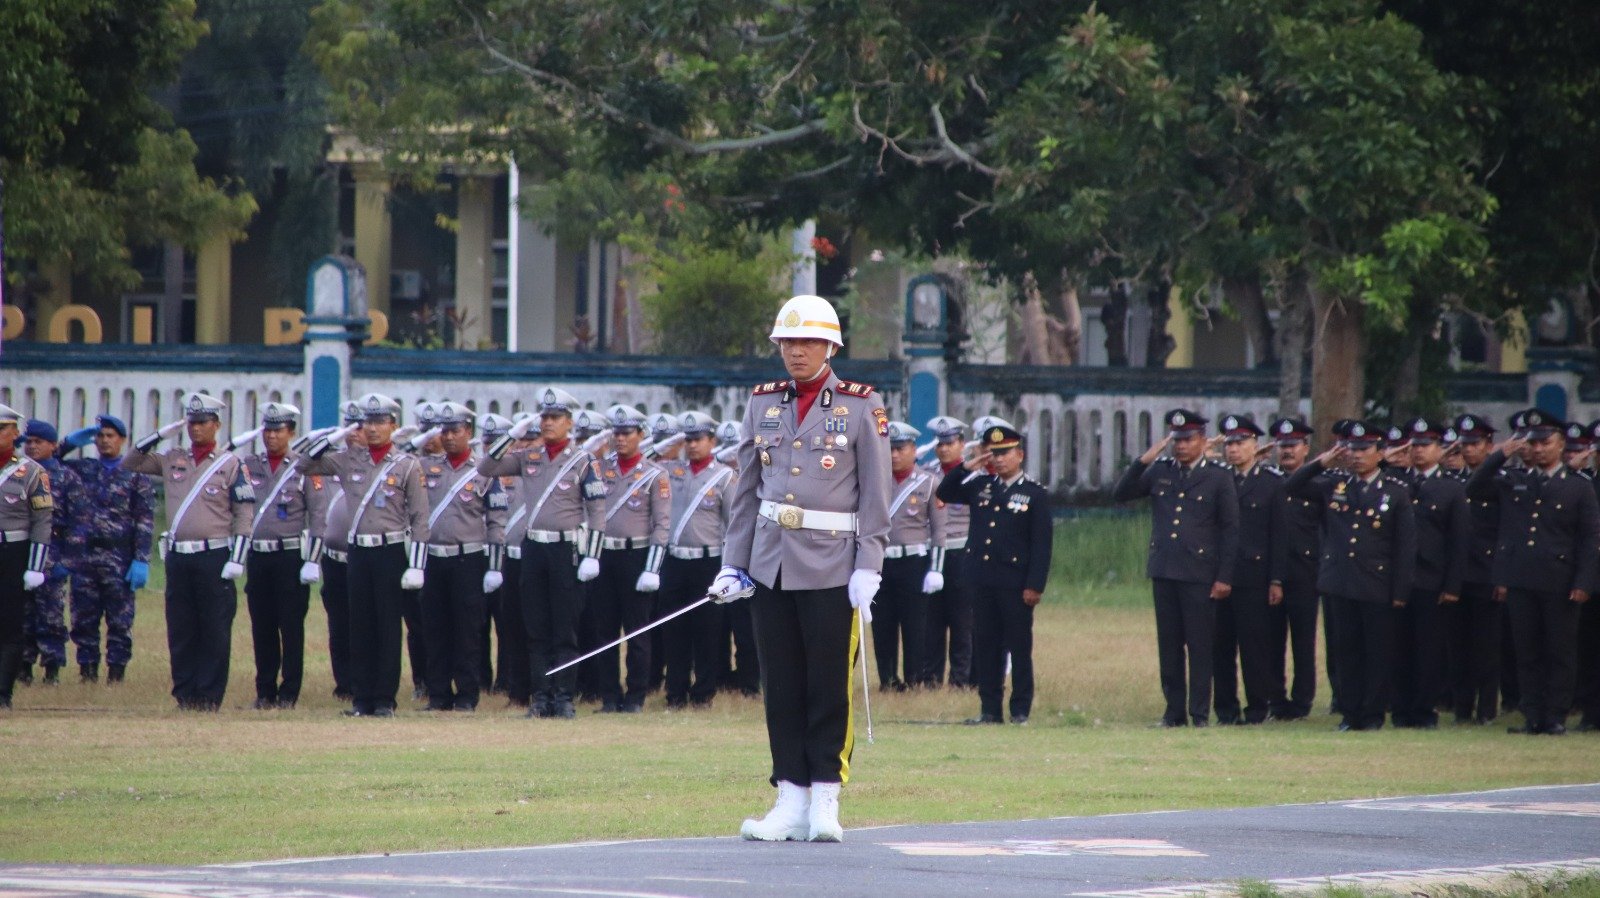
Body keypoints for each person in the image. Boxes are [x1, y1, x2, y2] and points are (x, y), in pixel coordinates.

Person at [712, 293, 891, 843]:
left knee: (827, 685)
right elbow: (745, 492)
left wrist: (871, 562)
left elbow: (877, 493)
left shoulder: (862, 405)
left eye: (808, 341)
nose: (796, 351)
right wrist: (732, 564)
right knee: (782, 684)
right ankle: (788, 798)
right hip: (770, 563)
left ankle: (825, 799)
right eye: (787, 341)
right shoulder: (761, 403)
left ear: (831, 346)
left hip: (834, 564)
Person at [1466, 409, 1599, 736]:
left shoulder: (1578, 487)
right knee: (1527, 651)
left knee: (1559, 651)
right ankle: (1532, 714)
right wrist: (1500, 455)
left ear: (1560, 444)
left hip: (1560, 580)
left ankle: (1554, 715)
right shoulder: (1515, 479)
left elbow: (1589, 538)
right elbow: (1474, 487)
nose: (1538, 449)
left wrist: (1584, 581)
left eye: (1545, 442)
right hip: (1521, 578)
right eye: (1533, 443)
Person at [478, 388, 607, 720]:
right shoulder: (528, 456)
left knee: (564, 629)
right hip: (533, 548)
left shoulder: (583, 460)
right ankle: (540, 698)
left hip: (566, 549)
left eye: (555, 418)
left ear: (569, 422)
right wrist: (511, 435)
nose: (548, 423)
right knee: (535, 628)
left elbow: (597, 511)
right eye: (544, 417)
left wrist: (592, 555)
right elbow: (486, 466)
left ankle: (563, 698)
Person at [300, 392, 431, 717]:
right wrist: (337, 436)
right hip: (358, 552)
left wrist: (417, 565)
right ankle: (362, 698)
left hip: (389, 552)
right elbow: (303, 463)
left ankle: (384, 699)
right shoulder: (347, 459)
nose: (372, 429)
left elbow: (420, 518)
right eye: (366, 423)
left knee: (386, 626)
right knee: (359, 625)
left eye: (379, 422)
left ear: (392, 425)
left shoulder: (406, 465)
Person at [1284, 420, 1416, 732]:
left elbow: (1404, 546)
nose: (1356, 455)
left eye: (1364, 449)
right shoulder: (1335, 485)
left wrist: (1400, 591)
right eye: (1352, 449)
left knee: (1376, 652)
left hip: (1376, 584)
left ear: (1380, 453)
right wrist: (1322, 461)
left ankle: (1372, 714)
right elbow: (1292, 486)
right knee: (1345, 653)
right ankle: (1349, 712)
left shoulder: (1395, 493)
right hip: (1338, 582)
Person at [126, 393, 255, 711]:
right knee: (181, 626)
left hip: (214, 556)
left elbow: (243, 513)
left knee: (214, 627)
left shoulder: (231, 464)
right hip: (179, 556)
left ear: (217, 425)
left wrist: (237, 558)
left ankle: (209, 696)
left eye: (203, 423)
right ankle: (185, 693)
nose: (196, 429)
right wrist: (160, 434)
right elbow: (130, 462)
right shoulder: (172, 459)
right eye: (192, 422)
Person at [1113, 409, 1238, 727]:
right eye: (1177, 440)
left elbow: (1229, 529)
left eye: (1188, 440)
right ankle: (1173, 712)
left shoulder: (1218, 476)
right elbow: (1121, 494)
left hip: (1199, 573)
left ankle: (1199, 713)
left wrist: (1224, 576)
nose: (1181, 446)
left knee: (1199, 645)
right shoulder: (1161, 471)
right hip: (1165, 569)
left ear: (1202, 440)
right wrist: (1144, 460)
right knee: (1169, 646)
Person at [936, 422, 1052, 725]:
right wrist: (967, 465)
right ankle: (989, 709)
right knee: (986, 646)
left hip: (1015, 584)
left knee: (1018, 646)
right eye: (994, 454)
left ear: (1020, 455)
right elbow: (945, 491)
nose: (999, 459)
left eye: (1005, 453)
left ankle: (1020, 709)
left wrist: (1034, 585)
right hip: (982, 579)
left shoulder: (1034, 494)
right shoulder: (981, 485)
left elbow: (1042, 545)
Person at [417, 401, 507, 712]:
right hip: (434, 559)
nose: (449, 437)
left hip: (468, 559)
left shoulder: (485, 471)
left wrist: (494, 567)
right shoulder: (428, 468)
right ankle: (438, 694)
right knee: (435, 628)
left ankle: (468, 694)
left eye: (455, 430)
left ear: (468, 432)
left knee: (467, 630)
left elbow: (496, 520)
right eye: (444, 431)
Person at [583, 404, 669, 713]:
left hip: (637, 556)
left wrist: (652, 568)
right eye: (616, 433)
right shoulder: (598, 469)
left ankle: (635, 697)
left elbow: (662, 524)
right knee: (604, 631)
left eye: (626, 433)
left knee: (637, 632)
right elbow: (588, 512)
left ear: (640, 436)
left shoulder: (654, 475)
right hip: (605, 555)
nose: (620, 439)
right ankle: (609, 697)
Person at [56, 414, 153, 685]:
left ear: (122, 440)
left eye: (111, 436)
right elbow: (51, 462)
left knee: (119, 621)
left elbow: (144, 519)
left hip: (118, 557)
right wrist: (69, 443)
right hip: (85, 558)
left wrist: (141, 559)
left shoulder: (136, 474)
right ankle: (87, 674)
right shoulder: (84, 469)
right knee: (83, 620)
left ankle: (116, 675)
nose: (104, 441)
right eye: (100, 436)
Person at [1390, 417, 1468, 729]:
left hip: (1431, 580)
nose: (1419, 451)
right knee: (1398, 649)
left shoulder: (1450, 488)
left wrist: (1452, 584)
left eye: (1426, 445)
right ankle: (1400, 709)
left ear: (1440, 449)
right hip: (1396, 580)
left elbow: (1458, 542)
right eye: (1414, 445)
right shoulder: (1395, 483)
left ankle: (1424, 711)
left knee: (1428, 650)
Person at [661, 411, 737, 709]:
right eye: (687, 440)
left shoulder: (724, 477)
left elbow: (732, 525)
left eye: (698, 439)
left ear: (712, 441)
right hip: (675, 561)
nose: (692, 446)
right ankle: (675, 693)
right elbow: (647, 458)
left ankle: (704, 693)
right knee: (674, 629)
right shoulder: (670, 471)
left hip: (708, 562)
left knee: (707, 632)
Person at [240, 403, 314, 709]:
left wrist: (313, 558)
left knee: (291, 626)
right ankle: (265, 690)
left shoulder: (303, 467)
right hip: (258, 555)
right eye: (267, 430)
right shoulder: (250, 465)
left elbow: (316, 514)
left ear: (291, 433)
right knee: (262, 625)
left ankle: (289, 691)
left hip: (290, 556)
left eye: (278, 430)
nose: (271, 436)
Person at [1214, 414, 1280, 725]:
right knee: (1220, 647)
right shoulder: (1218, 479)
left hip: (1255, 577)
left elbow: (1280, 537)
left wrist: (1276, 579)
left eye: (1240, 443)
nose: (1234, 449)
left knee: (1254, 647)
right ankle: (1226, 709)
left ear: (1255, 445)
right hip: (1219, 576)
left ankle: (1258, 708)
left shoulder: (1271, 483)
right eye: (1229, 444)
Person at [874, 421, 947, 690]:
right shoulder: (875, 481)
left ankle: (916, 678)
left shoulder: (930, 483)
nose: (894, 454)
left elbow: (940, 532)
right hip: (881, 560)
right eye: (890, 448)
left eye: (900, 448)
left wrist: (936, 569)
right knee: (883, 623)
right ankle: (888, 680)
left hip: (914, 561)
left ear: (913, 449)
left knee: (916, 624)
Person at [302, 399, 365, 701]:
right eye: (350, 427)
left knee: (366, 621)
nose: (355, 433)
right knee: (338, 624)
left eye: (360, 426)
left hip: (365, 556)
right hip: (334, 558)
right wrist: (330, 437)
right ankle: (345, 683)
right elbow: (301, 457)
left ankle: (367, 680)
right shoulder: (331, 461)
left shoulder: (382, 464)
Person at [1443, 413, 1502, 724]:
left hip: (1487, 573)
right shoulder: (1451, 481)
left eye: (1475, 443)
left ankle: (1487, 710)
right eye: (1463, 444)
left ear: (1489, 445)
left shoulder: (1501, 481)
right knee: (1458, 648)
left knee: (1486, 649)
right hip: (1456, 575)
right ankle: (1462, 709)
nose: (1467, 450)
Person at [0, 404, 55, 709]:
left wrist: (35, 566)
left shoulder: (32, 471)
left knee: (8, 624)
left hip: (13, 550)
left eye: (1, 429)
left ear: (15, 433)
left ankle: (3, 692)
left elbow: (42, 520)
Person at [20, 420, 80, 686]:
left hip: (52, 557)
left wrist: (67, 561)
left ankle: (52, 669)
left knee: (51, 617)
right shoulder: (19, 474)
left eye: (38, 442)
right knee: (21, 615)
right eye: (29, 442)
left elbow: (80, 524)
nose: (32, 446)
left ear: (53, 446)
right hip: (21, 554)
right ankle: (21, 666)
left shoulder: (67, 478)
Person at [1266, 417, 1319, 719]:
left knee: (1303, 641)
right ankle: (1276, 700)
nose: (1286, 451)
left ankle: (1301, 702)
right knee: (1272, 641)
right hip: (1272, 572)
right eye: (1282, 446)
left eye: (1293, 446)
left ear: (1305, 448)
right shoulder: (1268, 481)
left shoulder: (1319, 483)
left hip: (1305, 572)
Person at [921, 415, 973, 688]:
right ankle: (930, 679)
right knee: (932, 619)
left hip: (961, 550)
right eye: (940, 444)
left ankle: (960, 680)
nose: (944, 449)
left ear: (961, 444)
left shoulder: (972, 475)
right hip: (933, 552)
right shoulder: (928, 473)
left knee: (962, 620)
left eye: (950, 442)